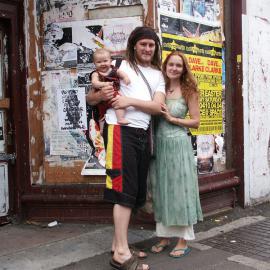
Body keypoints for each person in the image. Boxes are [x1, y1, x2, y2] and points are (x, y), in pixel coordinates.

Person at [86, 26, 166, 270]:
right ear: (134, 45)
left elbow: (157, 108)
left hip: (141, 134)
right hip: (120, 130)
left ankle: (117, 244)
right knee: (123, 189)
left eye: (151, 45)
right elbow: (90, 98)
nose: (147, 48)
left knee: (133, 191)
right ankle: (121, 254)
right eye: (143, 44)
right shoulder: (119, 65)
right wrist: (101, 94)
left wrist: (128, 100)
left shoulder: (157, 74)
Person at [150, 51, 203, 258]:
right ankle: (164, 236)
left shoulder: (189, 90)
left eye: (178, 65)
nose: (174, 68)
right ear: (165, 67)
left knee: (179, 189)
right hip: (159, 144)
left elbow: (196, 122)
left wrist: (174, 119)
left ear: (184, 69)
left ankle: (183, 238)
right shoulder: (159, 88)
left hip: (178, 143)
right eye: (171, 64)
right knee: (161, 188)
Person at [91, 48, 130, 129]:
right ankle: (104, 128)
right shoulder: (96, 73)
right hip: (104, 97)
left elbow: (120, 73)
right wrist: (104, 84)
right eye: (99, 62)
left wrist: (125, 77)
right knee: (103, 113)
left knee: (117, 103)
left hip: (112, 94)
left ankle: (118, 119)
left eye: (105, 61)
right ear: (94, 63)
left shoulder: (113, 69)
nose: (102, 64)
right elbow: (94, 83)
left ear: (110, 61)